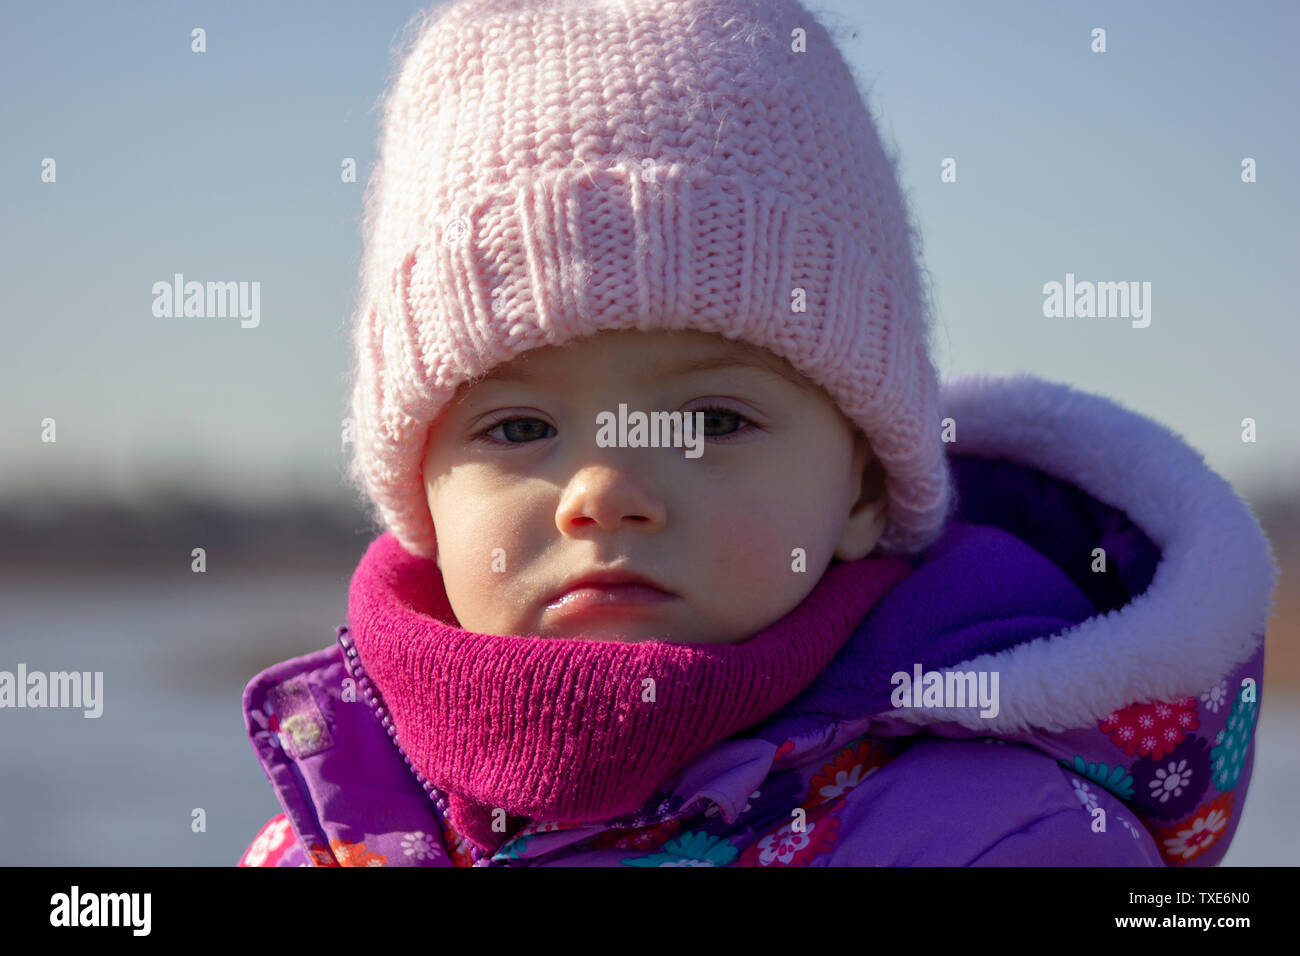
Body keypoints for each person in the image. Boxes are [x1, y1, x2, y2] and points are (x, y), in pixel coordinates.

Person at [237, 0, 1274, 867]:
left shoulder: (1005, 833)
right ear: (422, 495)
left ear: (863, 486)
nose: (600, 490)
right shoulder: (340, 821)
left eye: (708, 420)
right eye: (519, 425)